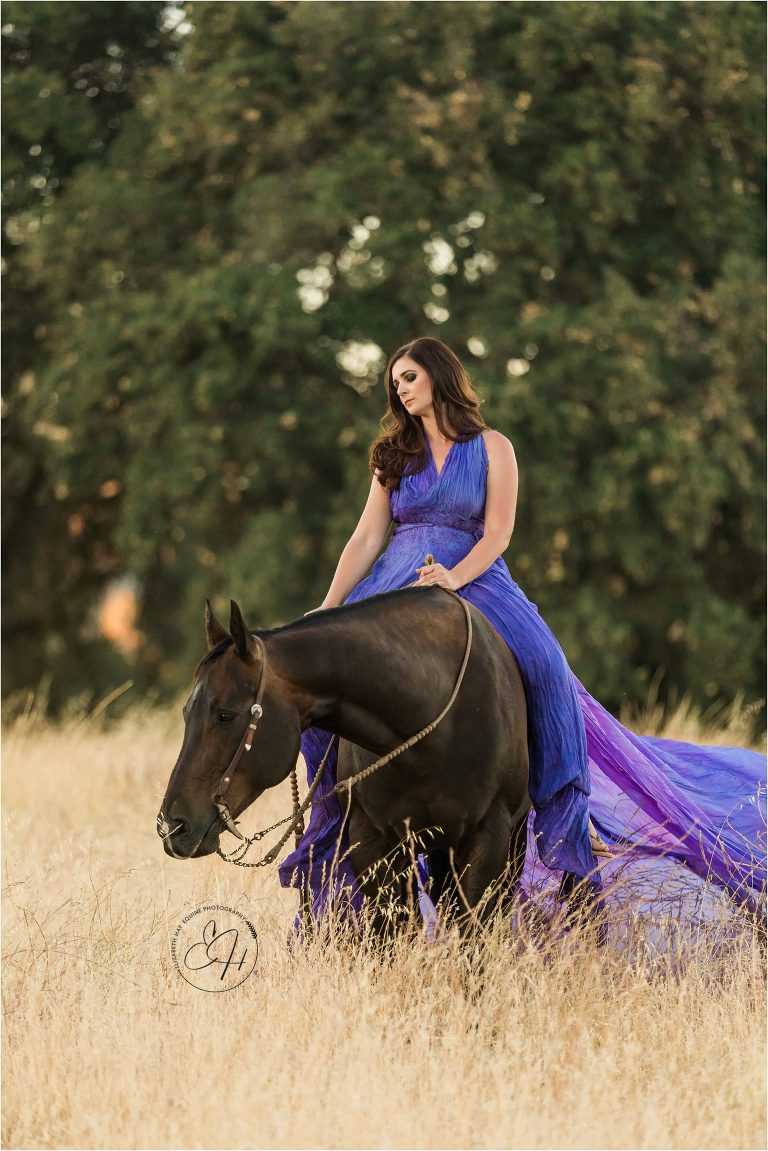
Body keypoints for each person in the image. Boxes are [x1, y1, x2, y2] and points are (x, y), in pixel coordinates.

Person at [279, 337, 766, 922]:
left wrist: (453, 580)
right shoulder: (392, 455)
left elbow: (498, 534)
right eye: (395, 383)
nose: (400, 389)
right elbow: (365, 539)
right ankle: (335, 822)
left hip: (474, 573)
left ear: (438, 376)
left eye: (408, 377)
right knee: (330, 676)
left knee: (545, 666)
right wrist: (329, 607)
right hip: (394, 578)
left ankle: (560, 827)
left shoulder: (493, 447)